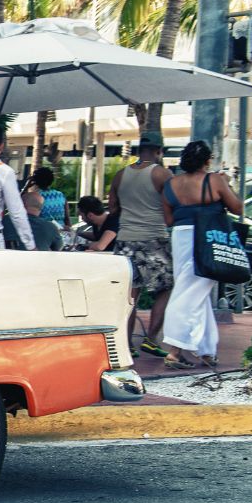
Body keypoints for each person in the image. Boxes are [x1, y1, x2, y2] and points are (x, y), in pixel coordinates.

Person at [160, 140, 243, 369]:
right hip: (207, 236)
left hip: (181, 235)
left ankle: (207, 350)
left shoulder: (171, 184)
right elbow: (237, 207)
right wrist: (227, 183)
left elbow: (168, 220)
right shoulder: (214, 180)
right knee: (189, 292)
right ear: (208, 160)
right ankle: (175, 350)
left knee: (195, 290)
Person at [108, 130, 174, 357]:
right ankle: (151, 339)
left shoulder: (120, 175)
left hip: (126, 239)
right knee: (165, 288)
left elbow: (113, 208)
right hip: (154, 238)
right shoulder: (162, 174)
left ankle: (126, 344)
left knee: (130, 294)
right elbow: (172, 207)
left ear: (137, 151)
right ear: (159, 151)